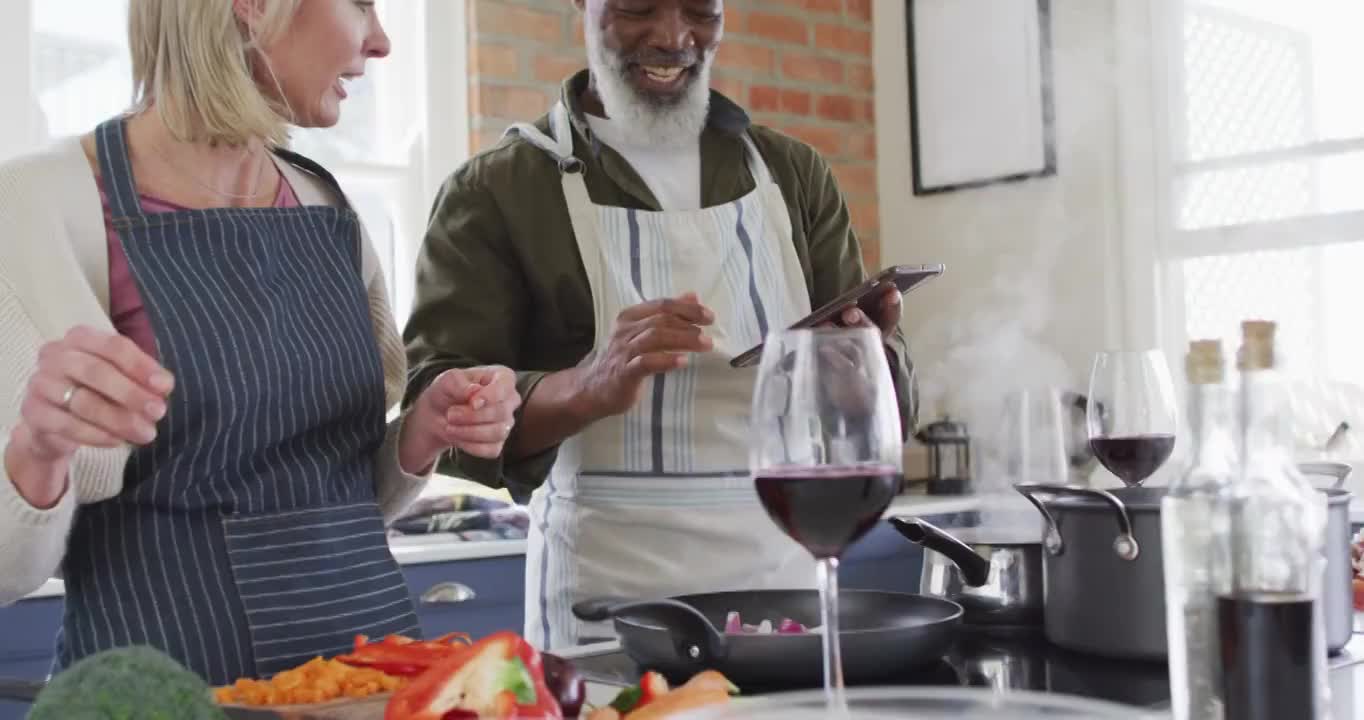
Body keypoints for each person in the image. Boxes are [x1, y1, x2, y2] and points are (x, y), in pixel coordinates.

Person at [0, 0, 521, 685]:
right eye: (360, 3)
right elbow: (10, 574)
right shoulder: (42, 203)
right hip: (168, 692)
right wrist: (38, 451)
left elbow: (335, 497)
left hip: (367, 685)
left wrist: (419, 436)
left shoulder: (324, 205)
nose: (382, 40)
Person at [403, 0, 917, 650]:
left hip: (784, 600)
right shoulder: (498, 191)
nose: (673, 37)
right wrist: (585, 385)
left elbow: (875, 406)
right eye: (639, 7)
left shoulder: (795, 177)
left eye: (701, 11)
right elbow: (438, 416)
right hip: (606, 616)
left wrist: (860, 371)